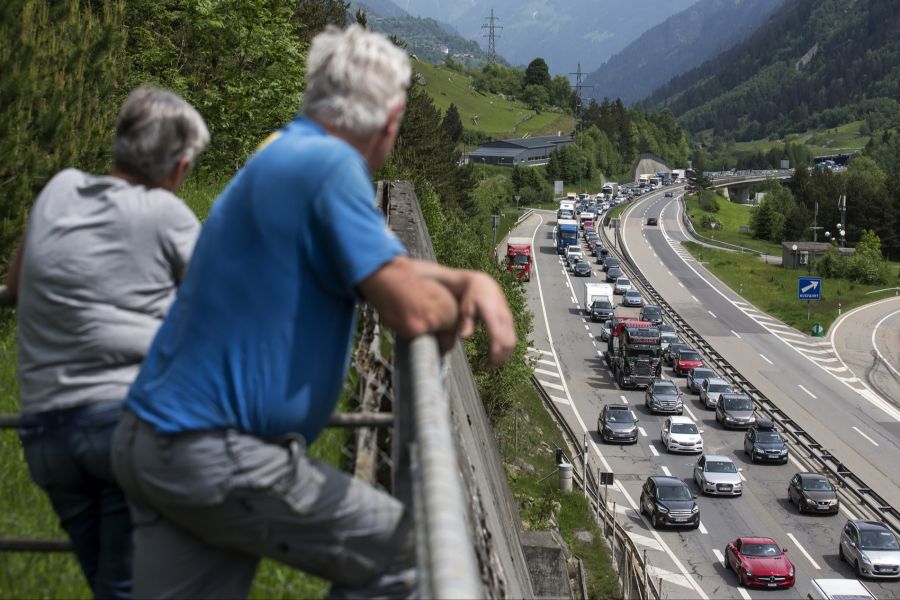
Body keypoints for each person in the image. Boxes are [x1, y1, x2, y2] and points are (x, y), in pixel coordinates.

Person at [110, 24, 516, 599]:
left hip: (157, 436)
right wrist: (463, 293)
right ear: (391, 119)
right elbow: (411, 309)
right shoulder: (329, 167)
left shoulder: (286, 151)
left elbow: (378, 264)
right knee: (408, 558)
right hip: (215, 451)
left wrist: (467, 278)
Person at [7, 86, 209, 598]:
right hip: (126, 428)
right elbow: (221, 304)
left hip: (46, 434)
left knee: (112, 584)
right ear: (179, 168)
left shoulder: (59, 189)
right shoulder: (167, 214)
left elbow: (16, 282)